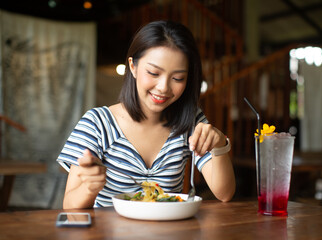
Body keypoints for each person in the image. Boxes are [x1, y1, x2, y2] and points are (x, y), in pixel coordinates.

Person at [57, 20, 236, 209]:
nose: (164, 87)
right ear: (133, 67)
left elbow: (224, 194)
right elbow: (69, 205)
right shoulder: (97, 124)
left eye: (178, 78)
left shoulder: (190, 121)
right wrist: (89, 188)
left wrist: (219, 145)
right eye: (153, 73)